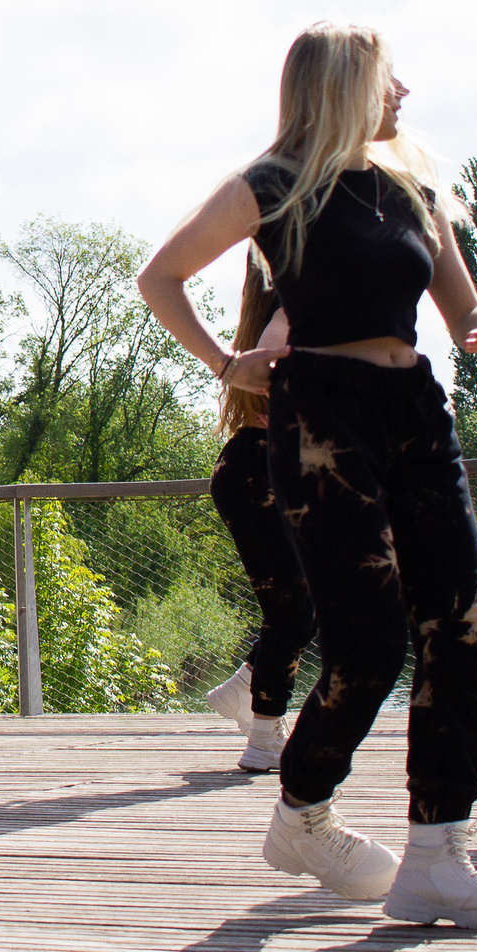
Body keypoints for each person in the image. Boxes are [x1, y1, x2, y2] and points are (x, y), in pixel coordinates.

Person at [137, 23, 477, 931]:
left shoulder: (414, 184)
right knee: (368, 643)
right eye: (391, 77)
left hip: (414, 411)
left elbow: (464, 311)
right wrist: (223, 361)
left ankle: (441, 854)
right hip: (320, 416)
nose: (407, 91)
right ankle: (303, 811)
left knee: (459, 625)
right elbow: (160, 276)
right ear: (345, 83)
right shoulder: (272, 184)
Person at [199, 262, 309, 774]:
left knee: (302, 604)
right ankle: (264, 735)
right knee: (295, 609)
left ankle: (245, 691)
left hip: (257, 469)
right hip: (259, 474)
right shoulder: (294, 311)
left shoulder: (281, 310)